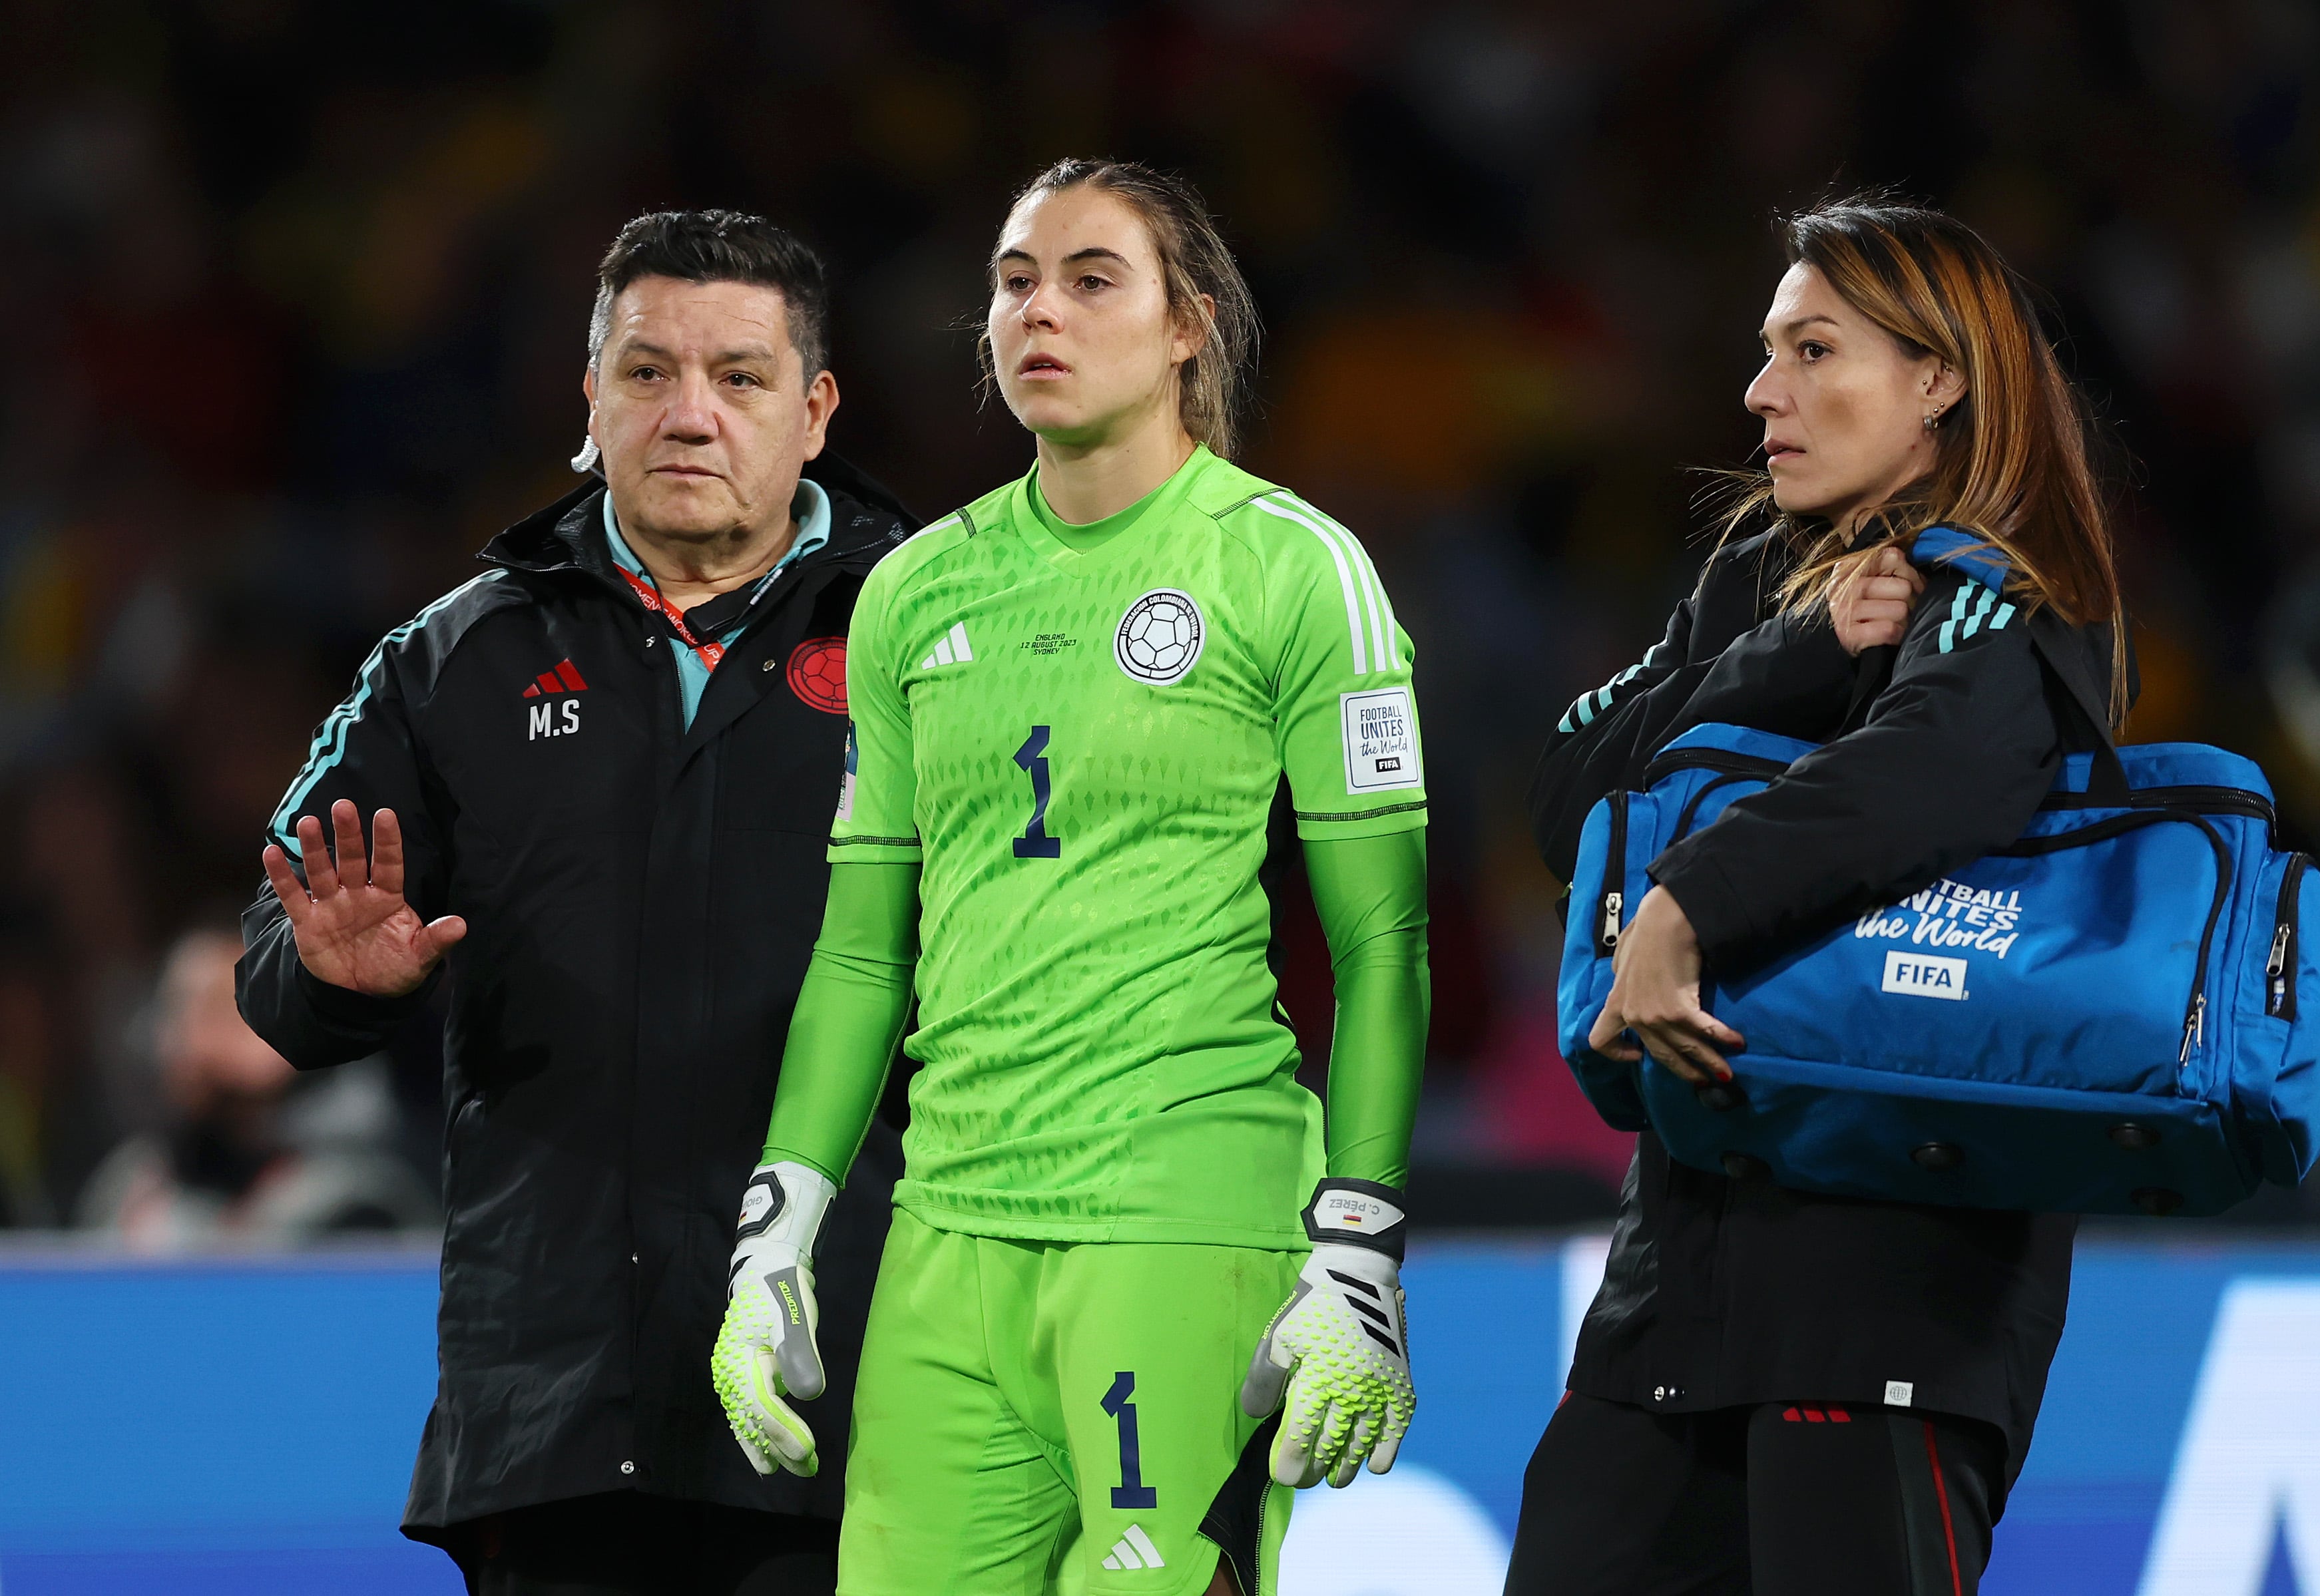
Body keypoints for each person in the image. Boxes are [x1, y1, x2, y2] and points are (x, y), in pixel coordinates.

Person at [710, 158, 1431, 1596]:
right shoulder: (915, 589)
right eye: (1013, 279)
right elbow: (861, 955)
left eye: (1091, 278)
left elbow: (1383, 941)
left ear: (1187, 327)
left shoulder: (1292, 570)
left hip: (1181, 1218)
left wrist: (1356, 1240)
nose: (1038, 309)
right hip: (947, 1237)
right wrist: (776, 1223)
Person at [236, 210, 916, 1595]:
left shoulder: (936, 637)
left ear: (815, 408)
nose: (689, 414)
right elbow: (277, 964)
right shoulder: (452, 658)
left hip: (861, 1400)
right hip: (551, 1420)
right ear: (588, 399)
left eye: (738, 376)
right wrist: (333, 977)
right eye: (647, 371)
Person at [1510, 198, 2130, 1596]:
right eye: (1763, 349)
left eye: (1810, 349)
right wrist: (1781, 654)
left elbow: (1935, 770)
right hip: (1673, 1292)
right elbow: (1566, 794)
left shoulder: (2005, 580)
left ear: (1937, 379)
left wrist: (1681, 904)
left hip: (1887, 1291)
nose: (1760, 390)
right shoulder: (1756, 574)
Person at [79, 922, 434, 1248]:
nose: (184, 1037)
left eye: (217, 1009)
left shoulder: (352, 1198)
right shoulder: (129, 1190)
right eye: (175, 1009)